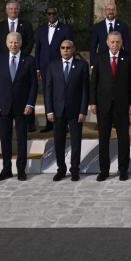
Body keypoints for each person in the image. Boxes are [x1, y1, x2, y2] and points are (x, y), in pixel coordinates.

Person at [89, 31, 131, 181]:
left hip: (122, 105)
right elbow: (93, 82)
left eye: (117, 42)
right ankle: (104, 170)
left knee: (124, 139)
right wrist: (92, 102)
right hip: (103, 105)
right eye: (112, 42)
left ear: (121, 43)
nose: (115, 44)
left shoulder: (128, 58)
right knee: (104, 139)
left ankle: (123, 170)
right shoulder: (99, 58)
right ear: (107, 42)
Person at [0, 32, 38, 181]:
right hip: (3, 106)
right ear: (6, 44)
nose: (13, 45)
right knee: (5, 139)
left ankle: (21, 169)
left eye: (16, 42)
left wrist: (30, 103)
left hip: (22, 107)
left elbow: (33, 85)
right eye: (11, 42)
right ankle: (6, 169)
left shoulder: (29, 60)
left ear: (21, 43)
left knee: (21, 139)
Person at [45, 40, 88, 182]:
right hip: (57, 111)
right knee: (59, 142)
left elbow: (84, 90)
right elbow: (48, 90)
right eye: (63, 48)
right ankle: (61, 169)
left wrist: (83, 111)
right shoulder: (52, 66)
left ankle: (75, 169)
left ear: (74, 49)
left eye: (68, 48)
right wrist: (49, 110)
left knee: (76, 141)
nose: (65, 50)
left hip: (75, 111)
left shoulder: (82, 66)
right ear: (59, 49)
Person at [0, 0, 35, 132]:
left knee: (25, 90)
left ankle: (30, 123)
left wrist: (21, 57)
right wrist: (5, 59)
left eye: (16, 9)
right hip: (4, 64)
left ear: (19, 10)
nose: (13, 11)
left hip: (22, 63)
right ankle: (1, 124)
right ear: (6, 10)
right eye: (11, 9)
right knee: (3, 92)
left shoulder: (26, 25)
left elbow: (29, 43)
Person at [35, 6, 73, 133]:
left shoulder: (65, 28)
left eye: (53, 13)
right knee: (48, 93)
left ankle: (65, 123)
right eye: (49, 13)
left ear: (57, 14)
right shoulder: (41, 29)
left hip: (60, 65)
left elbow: (70, 46)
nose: (51, 15)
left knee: (63, 93)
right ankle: (49, 123)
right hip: (45, 67)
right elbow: (38, 49)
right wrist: (37, 68)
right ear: (46, 15)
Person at [89, 1, 130, 66]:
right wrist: (92, 63)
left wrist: (128, 61)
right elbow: (93, 46)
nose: (111, 12)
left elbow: (127, 45)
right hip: (102, 60)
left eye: (113, 9)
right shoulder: (97, 27)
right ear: (105, 11)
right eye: (108, 9)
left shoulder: (123, 26)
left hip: (119, 60)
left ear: (116, 12)